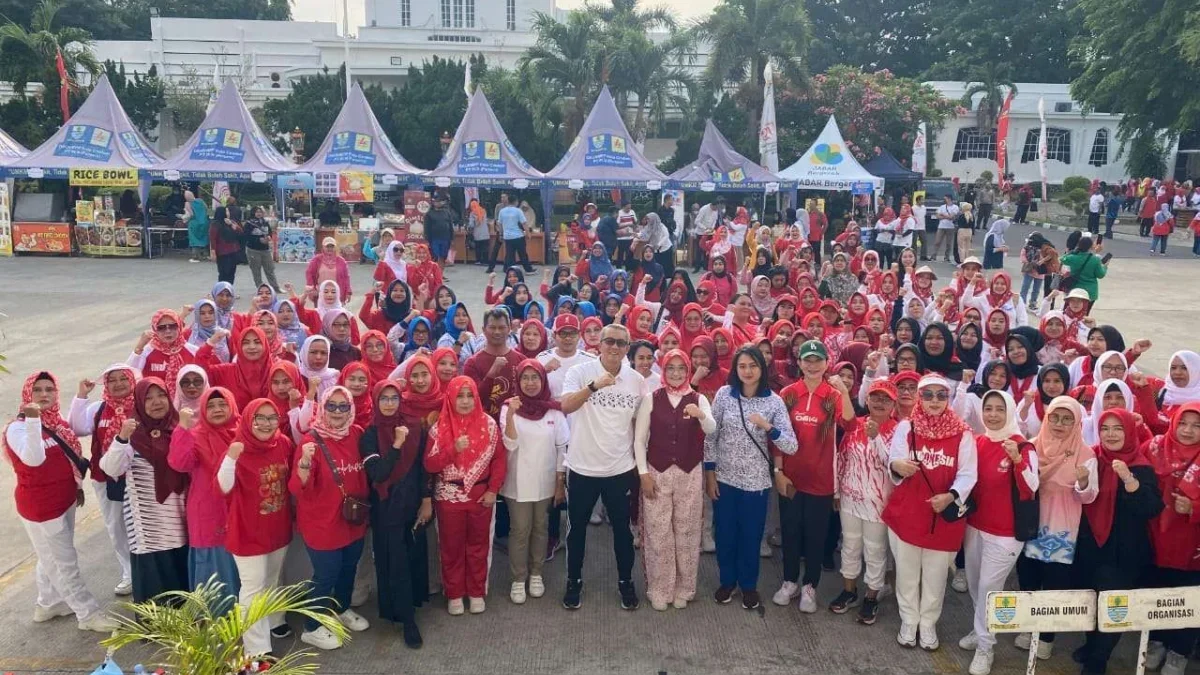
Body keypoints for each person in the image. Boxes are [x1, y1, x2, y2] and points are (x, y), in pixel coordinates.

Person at [3, 372, 118, 633]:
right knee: (64, 562)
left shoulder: (56, 422)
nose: (44, 395)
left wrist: (75, 487)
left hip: (64, 500)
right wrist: (33, 420)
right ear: (27, 395)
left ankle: (48, 603)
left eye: (50, 390)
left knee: (50, 555)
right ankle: (87, 614)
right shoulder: (17, 428)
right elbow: (33, 459)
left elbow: (69, 457)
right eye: (38, 390)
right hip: (42, 508)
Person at [882, 374, 977, 651]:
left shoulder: (962, 432)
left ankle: (928, 624)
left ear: (948, 399)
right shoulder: (906, 427)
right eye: (927, 395)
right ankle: (909, 621)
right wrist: (899, 466)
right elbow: (893, 460)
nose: (934, 401)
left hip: (942, 515)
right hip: (909, 513)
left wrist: (950, 496)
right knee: (907, 574)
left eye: (940, 395)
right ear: (919, 398)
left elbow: (968, 474)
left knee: (935, 576)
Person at [559, 323, 646, 610]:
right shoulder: (580, 372)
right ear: (599, 344)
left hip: (619, 470)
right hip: (582, 468)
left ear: (627, 347)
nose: (614, 347)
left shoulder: (636, 381)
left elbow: (639, 425)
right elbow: (566, 406)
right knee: (577, 530)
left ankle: (625, 582)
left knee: (623, 531)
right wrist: (594, 385)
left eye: (621, 343)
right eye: (609, 341)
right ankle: (574, 581)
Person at [704, 347, 798, 609]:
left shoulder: (774, 401)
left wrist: (769, 427)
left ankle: (748, 585)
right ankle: (727, 582)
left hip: (756, 482)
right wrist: (710, 475)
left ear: (762, 368)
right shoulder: (724, 395)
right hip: (725, 477)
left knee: (750, 535)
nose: (747, 371)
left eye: (753, 365)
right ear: (735, 369)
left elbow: (791, 445)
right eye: (742, 365)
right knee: (724, 534)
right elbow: (711, 435)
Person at [1073, 407, 1162, 675]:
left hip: (1123, 551)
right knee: (1089, 597)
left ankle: (1100, 657)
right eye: (1105, 428)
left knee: (1113, 606)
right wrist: (1082, 482)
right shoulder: (1093, 457)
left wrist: (1129, 480)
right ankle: (1091, 645)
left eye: (1118, 428)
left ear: (1129, 431)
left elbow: (1152, 507)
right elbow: (1083, 497)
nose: (1110, 434)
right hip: (1091, 545)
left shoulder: (1140, 465)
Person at [958, 390, 1038, 675]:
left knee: (990, 589)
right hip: (975, 526)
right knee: (976, 583)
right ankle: (981, 631)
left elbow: (1030, 487)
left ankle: (985, 647)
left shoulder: (1022, 446)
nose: (992, 415)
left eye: (998, 409)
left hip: (1004, 534)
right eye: (988, 408)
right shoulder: (978, 442)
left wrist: (1017, 460)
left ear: (1010, 411)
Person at [774, 341, 855, 611]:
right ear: (799, 363)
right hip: (791, 478)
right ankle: (789, 581)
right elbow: (776, 438)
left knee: (815, 535)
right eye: (807, 359)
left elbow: (850, 423)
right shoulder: (788, 394)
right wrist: (779, 471)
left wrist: (843, 390)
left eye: (817, 360)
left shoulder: (832, 396)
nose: (812, 365)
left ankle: (810, 586)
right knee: (790, 531)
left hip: (821, 480)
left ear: (826, 363)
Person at [634, 349, 716, 611]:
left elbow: (712, 429)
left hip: (689, 472)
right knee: (658, 532)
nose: (676, 373)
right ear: (664, 370)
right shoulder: (651, 398)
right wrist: (643, 474)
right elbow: (638, 440)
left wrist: (701, 415)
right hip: (657, 471)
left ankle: (685, 587)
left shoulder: (698, 398)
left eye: (682, 368)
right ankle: (659, 587)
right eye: (671, 368)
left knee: (687, 531)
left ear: (688, 371)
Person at [1015, 396, 1097, 659]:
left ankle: (1047, 637)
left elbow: (1089, 497)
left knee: (1054, 585)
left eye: (1067, 419)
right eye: (1055, 417)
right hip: (1031, 525)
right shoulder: (1033, 447)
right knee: (1028, 579)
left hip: (1061, 529)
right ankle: (1029, 627)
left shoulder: (1086, 454)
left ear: (1077, 422)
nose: (1060, 424)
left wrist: (1083, 483)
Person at [290, 386, 370, 650]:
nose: (337, 412)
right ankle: (311, 627)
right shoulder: (310, 441)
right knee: (326, 575)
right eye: (331, 406)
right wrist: (304, 464)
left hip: (352, 518)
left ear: (351, 408)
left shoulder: (356, 434)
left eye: (343, 406)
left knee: (349, 569)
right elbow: (297, 488)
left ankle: (341, 609)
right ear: (322, 408)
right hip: (322, 522)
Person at [99, 377, 189, 604]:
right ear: (139, 402)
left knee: (182, 572)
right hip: (148, 525)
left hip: (180, 517)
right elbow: (110, 468)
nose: (156, 402)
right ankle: (158, 628)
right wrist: (121, 438)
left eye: (160, 396)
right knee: (156, 580)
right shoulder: (131, 436)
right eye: (148, 398)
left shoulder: (179, 427)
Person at [358, 380, 431, 647]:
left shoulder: (415, 426)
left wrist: (426, 500)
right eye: (384, 399)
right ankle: (407, 621)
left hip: (412, 503)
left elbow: (423, 467)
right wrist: (397, 444)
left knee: (413, 557)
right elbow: (378, 473)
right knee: (396, 563)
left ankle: (411, 603)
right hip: (386, 508)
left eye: (394, 398)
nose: (389, 403)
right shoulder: (369, 434)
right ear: (375, 401)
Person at [424, 377, 505, 615]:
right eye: (460, 395)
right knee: (451, 547)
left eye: (470, 395)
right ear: (450, 397)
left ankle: (477, 591)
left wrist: (493, 490)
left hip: (481, 496)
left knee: (479, 546)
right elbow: (429, 464)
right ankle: (455, 593)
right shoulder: (438, 427)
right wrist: (452, 449)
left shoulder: (488, 424)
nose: (466, 401)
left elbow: (499, 459)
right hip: (449, 496)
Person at [500, 360, 568, 605]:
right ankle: (519, 578)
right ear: (518, 381)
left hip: (545, 481)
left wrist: (560, 483)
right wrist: (510, 416)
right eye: (525, 378)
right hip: (516, 482)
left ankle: (536, 574)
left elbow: (562, 448)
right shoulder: (509, 407)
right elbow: (509, 444)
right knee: (520, 530)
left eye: (535, 378)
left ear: (543, 380)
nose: (530, 383)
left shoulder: (554, 411)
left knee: (541, 528)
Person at [834, 379, 900, 624]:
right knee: (850, 546)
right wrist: (836, 492)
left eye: (886, 399)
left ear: (893, 403)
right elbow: (841, 458)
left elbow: (893, 466)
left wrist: (876, 438)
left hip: (879, 504)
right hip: (850, 498)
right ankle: (849, 591)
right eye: (875, 397)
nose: (880, 403)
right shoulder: (855, 425)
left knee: (875, 550)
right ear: (867, 400)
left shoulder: (899, 431)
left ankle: (872, 596)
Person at [1142, 402, 1200, 675]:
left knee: (1189, 598)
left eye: (1197, 425)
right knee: (1157, 592)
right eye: (1183, 423)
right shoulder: (1154, 447)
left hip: (1192, 544)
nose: (1188, 430)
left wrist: (1195, 508)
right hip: (1156, 537)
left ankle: (1179, 652)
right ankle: (1156, 641)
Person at [168, 388, 241, 600]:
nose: (217, 409)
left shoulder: (242, 432)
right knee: (214, 570)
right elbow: (180, 463)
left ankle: (247, 618)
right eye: (210, 406)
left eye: (222, 404)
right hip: (209, 511)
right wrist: (182, 428)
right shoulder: (195, 434)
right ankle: (219, 622)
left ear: (232, 405)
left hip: (239, 509)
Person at [1059, 235, 1108, 308]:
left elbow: (1062, 258)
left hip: (1075, 290)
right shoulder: (1095, 260)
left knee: (1068, 313)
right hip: (1089, 292)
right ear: (1091, 247)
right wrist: (1105, 266)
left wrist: (1074, 251)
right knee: (1084, 316)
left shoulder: (1073, 258)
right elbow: (1100, 275)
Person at [242, 207, 280, 293]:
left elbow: (269, 232)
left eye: (260, 212)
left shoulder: (265, 222)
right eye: (257, 212)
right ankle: (260, 289)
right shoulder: (249, 224)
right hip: (253, 249)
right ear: (253, 213)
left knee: (270, 269)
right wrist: (258, 240)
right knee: (256, 271)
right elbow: (246, 236)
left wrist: (269, 237)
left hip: (265, 250)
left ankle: (275, 287)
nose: (259, 214)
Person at [494, 196, 534, 274]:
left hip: (507, 237)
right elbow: (524, 223)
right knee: (522, 253)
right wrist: (528, 233)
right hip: (518, 236)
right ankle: (528, 269)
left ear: (508, 201)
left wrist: (501, 235)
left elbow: (500, 224)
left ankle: (510, 270)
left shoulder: (502, 211)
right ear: (516, 202)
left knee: (510, 255)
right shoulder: (518, 211)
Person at [210, 197, 243, 285]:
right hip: (223, 252)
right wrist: (213, 251)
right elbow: (213, 238)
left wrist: (232, 224)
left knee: (232, 273)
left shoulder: (231, 222)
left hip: (234, 251)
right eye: (227, 211)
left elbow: (240, 232)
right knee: (224, 273)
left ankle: (230, 289)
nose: (229, 213)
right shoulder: (215, 224)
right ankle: (221, 289)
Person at [424, 195, 457, 264]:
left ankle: (440, 273)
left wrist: (452, 239)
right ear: (433, 202)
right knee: (436, 256)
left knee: (443, 257)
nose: (438, 203)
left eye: (440, 201)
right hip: (434, 238)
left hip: (446, 238)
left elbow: (450, 226)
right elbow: (427, 228)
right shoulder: (429, 214)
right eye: (436, 201)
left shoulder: (447, 212)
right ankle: (436, 273)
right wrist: (427, 239)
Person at [184, 190, 210, 263]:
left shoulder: (188, 203)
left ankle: (195, 257)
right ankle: (205, 255)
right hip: (204, 222)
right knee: (204, 238)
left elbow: (191, 214)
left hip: (194, 223)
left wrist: (184, 217)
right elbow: (206, 208)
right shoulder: (201, 201)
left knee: (194, 240)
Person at [934, 195, 960, 263]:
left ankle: (947, 257)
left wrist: (942, 214)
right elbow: (937, 216)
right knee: (937, 242)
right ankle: (934, 256)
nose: (944, 200)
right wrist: (947, 217)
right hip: (941, 226)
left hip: (950, 227)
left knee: (948, 243)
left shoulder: (955, 207)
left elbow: (952, 216)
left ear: (949, 199)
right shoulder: (942, 207)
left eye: (945, 199)